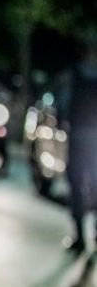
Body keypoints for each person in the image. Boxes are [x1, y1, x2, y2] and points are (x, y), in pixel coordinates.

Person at [56, 29, 97, 253]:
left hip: (81, 136)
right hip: (81, 136)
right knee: (79, 186)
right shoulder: (74, 75)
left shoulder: (75, 74)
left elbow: (63, 103)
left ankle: (80, 238)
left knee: (79, 185)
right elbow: (63, 103)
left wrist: (63, 121)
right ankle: (81, 236)